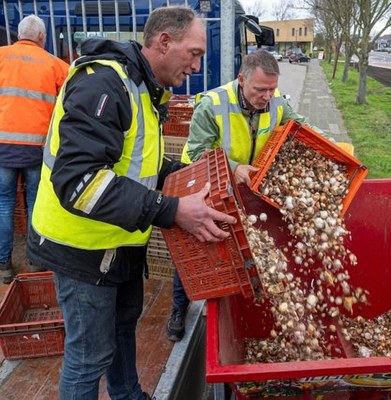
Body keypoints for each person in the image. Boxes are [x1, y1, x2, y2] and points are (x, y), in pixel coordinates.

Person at [27, 6, 236, 400]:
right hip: (83, 250)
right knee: (88, 359)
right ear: (163, 42)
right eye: (193, 53)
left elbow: (142, 167)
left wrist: (194, 176)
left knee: (124, 331)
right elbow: (80, 181)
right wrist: (172, 210)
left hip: (119, 245)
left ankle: (129, 395)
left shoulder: (143, 88)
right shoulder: (103, 84)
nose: (196, 64)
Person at [166, 49, 327, 341]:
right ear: (242, 80)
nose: (267, 96)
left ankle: (238, 296)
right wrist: (233, 167)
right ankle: (179, 307)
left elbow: (299, 125)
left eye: (272, 89)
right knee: (196, 248)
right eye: (260, 89)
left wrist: (328, 144)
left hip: (250, 188)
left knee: (244, 248)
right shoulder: (212, 104)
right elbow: (197, 153)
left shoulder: (277, 103)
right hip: (209, 187)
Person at [0, 15, 69, 284]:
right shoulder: (54, 64)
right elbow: (71, 98)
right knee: (35, 204)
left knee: (4, 205)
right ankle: (35, 260)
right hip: (36, 150)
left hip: (2, 148)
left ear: (19, 35)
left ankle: (4, 265)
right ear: (41, 37)